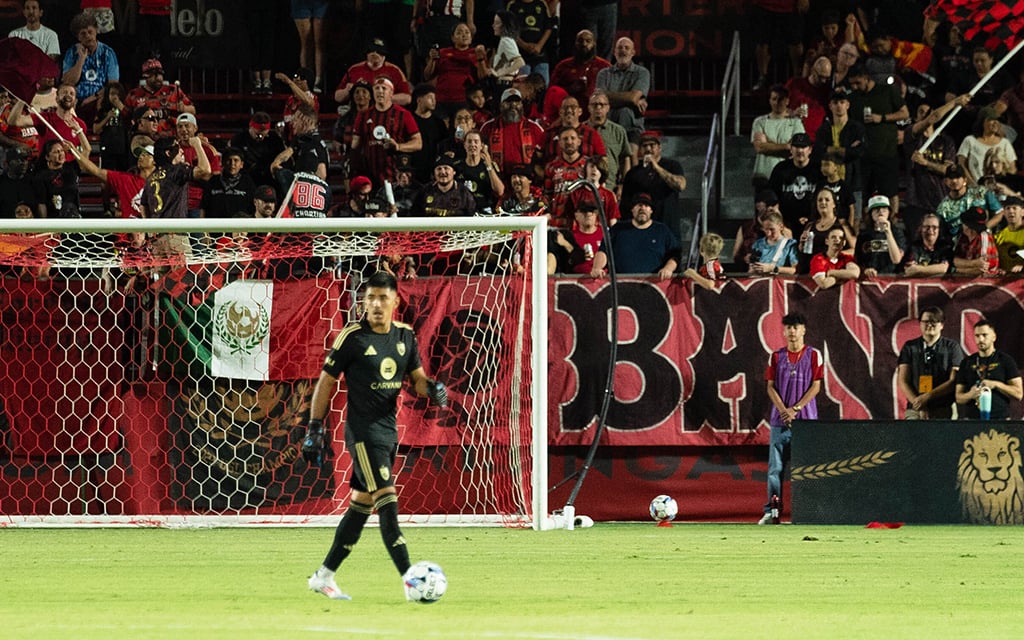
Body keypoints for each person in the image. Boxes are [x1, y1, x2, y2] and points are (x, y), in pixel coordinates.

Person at [303, 270, 448, 601]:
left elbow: (418, 380)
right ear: (363, 301)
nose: (376, 304)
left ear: (396, 301)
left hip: (387, 430)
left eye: (383, 298)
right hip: (362, 432)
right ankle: (411, 579)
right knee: (387, 498)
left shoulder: (405, 337)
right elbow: (327, 380)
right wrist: (315, 426)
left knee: (362, 503)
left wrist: (434, 389)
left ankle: (323, 576)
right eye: (370, 298)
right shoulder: (352, 337)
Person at [759, 312, 823, 525]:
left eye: (796, 327)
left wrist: (796, 409)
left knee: (806, 468)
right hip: (780, 422)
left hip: (805, 423)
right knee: (774, 469)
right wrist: (784, 411)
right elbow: (770, 387)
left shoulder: (814, 355)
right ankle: (772, 511)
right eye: (788, 327)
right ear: (784, 331)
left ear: (803, 330)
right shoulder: (776, 356)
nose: (792, 331)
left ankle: (808, 511)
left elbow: (816, 386)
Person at [847, 64, 908, 217]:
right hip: (864, 155)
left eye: (858, 83)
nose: (855, 87)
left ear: (866, 78)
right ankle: (867, 224)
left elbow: (904, 113)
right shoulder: (853, 98)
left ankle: (892, 223)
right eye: (852, 84)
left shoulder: (886, 91)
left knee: (891, 191)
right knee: (864, 192)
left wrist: (882, 118)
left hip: (886, 152)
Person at [351, 77, 421, 188]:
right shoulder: (363, 115)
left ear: (391, 93)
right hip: (370, 176)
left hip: (394, 176)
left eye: (384, 88)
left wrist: (398, 146)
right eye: (377, 88)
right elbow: (355, 145)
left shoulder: (404, 114)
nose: (380, 91)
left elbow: (418, 143)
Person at [897, 307, 965, 420]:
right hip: (915, 408)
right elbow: (903, 380)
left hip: (944, 408)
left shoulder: (952, 347)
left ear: (942, 325)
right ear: (919, 324)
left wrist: (927, 397)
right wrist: (919, 404)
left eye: (934, 321)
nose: (929, 325)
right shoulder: (909, 347)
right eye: (925, 321)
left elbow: (954, 381)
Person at [591, 193, 679, 278]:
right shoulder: (617, 229)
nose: (642, 208)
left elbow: (675, 256)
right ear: (632, 209)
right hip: (621, 287)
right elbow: (603, 251)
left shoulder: (662, 230)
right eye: (639, 205)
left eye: (646, 206)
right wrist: (597, 268)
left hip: (654, 287)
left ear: (651, 210)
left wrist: (668, 269)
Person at [813, 90, 864, 227]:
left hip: (852, 180)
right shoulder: (824, 129)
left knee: (854, 222)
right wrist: (846, 150)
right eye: (835, 103)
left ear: (848, 105)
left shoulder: (856, 128)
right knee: (827, 220)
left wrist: (831, 149)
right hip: (828, 183)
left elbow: (858, 152)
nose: (839, 106)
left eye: (842, 102)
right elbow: (818, 151)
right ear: (830, 106)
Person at [954, 319, 1023, 421]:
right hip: (972, 421)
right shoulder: (967, 362)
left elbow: (1018, 394)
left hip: (1000, 420)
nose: (980, 339)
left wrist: (996, 384)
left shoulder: (1005, 360)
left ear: (994, 337)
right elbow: (958, 397)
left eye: (984, 335)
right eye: (977, 336)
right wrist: (971, 394)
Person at [60, 12, 119, 122]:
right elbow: (68, 82)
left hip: (99, 99)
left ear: (96, 31)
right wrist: (81, 59)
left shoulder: (108, 53)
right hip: (77, 101)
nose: (88, 36)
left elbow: (113, 85)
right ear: (78, 37)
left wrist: (93, 97)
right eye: (83, 34)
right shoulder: (72, 53)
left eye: (90, 32)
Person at [478, 88, 544, 183]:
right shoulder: (488, 127)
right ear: (501, 105)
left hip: (527, 181)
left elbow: (543, 155)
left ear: (522, 105)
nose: (513, 106)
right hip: (498, 180)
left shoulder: (533, 127)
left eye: (517, 102)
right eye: (508, 102)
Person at [595, 37, 650, 150]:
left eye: (627, 48)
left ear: (633, 52)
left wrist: (608, 96)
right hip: (606, 125)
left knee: (631, 153)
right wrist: (629, 99)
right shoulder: (603, 74)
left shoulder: (642, 72)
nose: (623, 50)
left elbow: (633, 98)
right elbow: (599, 99)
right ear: (614, 52)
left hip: (632, 128)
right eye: (619, 47)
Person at [619, 130, 686, 222]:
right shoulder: (632, 173)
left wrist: (657, 167)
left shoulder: (672, 166)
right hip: (642, 226)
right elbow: (625, 205)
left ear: (659, 148)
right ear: (640, 150)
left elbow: (681, 185)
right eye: (644, 146)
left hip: (667, 224)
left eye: (652, 145)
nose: (648, 149)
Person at [751, 84, 805, 192]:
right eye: (774, 99)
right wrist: (785, 146)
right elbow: (759, 147)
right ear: (770, 100)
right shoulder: (760, 122)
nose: (777, 102)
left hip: (787, 177)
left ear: (787, 101)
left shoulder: (795, 123)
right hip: (763, 177)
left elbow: (795, 149)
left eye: (780, 99)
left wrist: (768, 143)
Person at [768, 132, 820, 233]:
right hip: (786, 223)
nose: (800, 151)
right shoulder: (780, 169)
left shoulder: (818, 169)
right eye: (796, 147)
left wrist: (812, 218)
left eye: (803, 147)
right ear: (791, 149)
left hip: (814, 222)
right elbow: (772, 197)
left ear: (810, 149)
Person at [423, 22, 479, 117]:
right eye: (459, 33)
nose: (464, 35)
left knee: (460, 130)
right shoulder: (443, 53)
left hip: (464, 101)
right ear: (453, 38)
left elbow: (481, 76)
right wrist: (432, 60)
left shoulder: (476, 53)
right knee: (442, 129)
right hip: (442, 100)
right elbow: (427, 76)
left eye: (467, 32)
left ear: (471, 37)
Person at [334, 39, 413, 107]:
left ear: (384, 55)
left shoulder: (394, 70)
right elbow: (337, 97)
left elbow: (407, 98)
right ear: (366, 53)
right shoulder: (354, 69)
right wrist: (347, 91)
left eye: (379, 52)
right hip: (358, 112)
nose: (375, 54)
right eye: (371, 51)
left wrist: (382, 98)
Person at [124, 58, 196, 131]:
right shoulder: (134, 94)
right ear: (145, 76)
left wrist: (184, 108)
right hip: (144, 137)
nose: (158, 78)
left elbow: (193, 110)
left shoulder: (173, 90)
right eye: (154, 75)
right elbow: (125, 116)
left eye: (160, 74)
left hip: (171, 136)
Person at [797, 186, 855, 274]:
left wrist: (834, 254)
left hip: (833, 271)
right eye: (820, 200)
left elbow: (854, 249)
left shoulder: (841, 223)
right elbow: (803, 252)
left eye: (827, 200)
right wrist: (801, 244)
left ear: (834, 204)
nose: (823, 202)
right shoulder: (810, 225)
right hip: (811, 272)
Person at [935, 164, 1003, 239]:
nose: (954, 181)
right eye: (951, 178)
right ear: (945, 181)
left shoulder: (981, 192)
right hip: (959, 247)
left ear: (965, 179)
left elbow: (1000, 212)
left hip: (984, 241)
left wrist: (984, 227)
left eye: (957, 177)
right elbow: (941, 233)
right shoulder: (942, 208)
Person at [549, 29, 610, 112]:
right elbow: (551, 91)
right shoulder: (563, 66)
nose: (584, 44)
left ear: (594, 44)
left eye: (588, 41)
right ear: (575, 43)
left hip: (596, 111)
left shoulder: (604, 66)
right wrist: (570, 89)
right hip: (568, 111)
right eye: (580, 41)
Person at [586, 88, 632, 195]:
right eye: (594, 105)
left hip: (611, 188)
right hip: (585, 187)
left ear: (608, 108)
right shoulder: (581, 130)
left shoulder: (618, 131)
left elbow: (625, 158)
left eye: (602, 105)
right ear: (588, 108)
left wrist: (622, 184)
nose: (598, 108)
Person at [957, 107, 1017, 186]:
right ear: (982, 122)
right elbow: (961, 164)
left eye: (997, 120)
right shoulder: (970, 141)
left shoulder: (1005, 143)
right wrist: (973, 185)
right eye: (991, 119)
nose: (996, 122)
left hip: (999, 190)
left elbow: (1012, 169)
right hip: (975, 190)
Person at [230, 112, 286, 191]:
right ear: (251, 127)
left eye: (264, 134)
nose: (260, 137)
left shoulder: (274, 139)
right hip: (246, 178)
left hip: (269, 178)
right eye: (257, 134)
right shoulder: (239, 139)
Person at [854, 194, 905, 277]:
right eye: (876, 209)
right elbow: (858, 260)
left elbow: (896, 259)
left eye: (884, 209)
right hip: (869, 278)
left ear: (889, 212)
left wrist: (888, 232)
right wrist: (865, 270)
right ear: (871, 213)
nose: (880, 211)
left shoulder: (897, 233)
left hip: (891, 277)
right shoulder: (863, 235)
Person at [785, 56, 832, 145]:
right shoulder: (794, 84)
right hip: (793, 137)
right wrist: (793, 113)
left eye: (827, 78)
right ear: (813, 71)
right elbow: (778, 109)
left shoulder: (827, 91)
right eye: (821, 77)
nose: (823, 81)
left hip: (815, 141)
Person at [453, 130, 503, 213]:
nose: (472, 145)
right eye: (469, 142)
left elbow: (500, 191)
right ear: (464, 145)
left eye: (476, 142)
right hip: (462, 211)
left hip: (485, 211)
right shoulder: (456, 166)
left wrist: (489, 166)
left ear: (481, 146)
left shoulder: (490, 166)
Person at [408, 84, 449, 185]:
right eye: (430, 97)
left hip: (433, 172)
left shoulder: (439, 123)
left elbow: (444, 145)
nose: (434, 101)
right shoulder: (409, 120)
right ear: (419, 100)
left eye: (434, 98)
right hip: (413, 171)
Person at [507, 0, 553, 83]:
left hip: (540, 55)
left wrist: (539, 46)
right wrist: (524, 45)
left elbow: (548, 28)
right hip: (520, 56)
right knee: (523, 86)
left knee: (542, 86)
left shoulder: (541, 4)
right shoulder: (513, 5)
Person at [290, 0, 327, 93]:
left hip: (321, 3)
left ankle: (318, 80)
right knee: (306, 42)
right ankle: (306, 79)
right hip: (301, 3)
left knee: (319, 43)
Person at [952, 206, 999, 276]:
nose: (968, 229)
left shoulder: (985, 237)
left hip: (985, 280)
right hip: (962, 278)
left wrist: (957, 269)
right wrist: (974, 263)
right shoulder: (960, 236)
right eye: (966, 225)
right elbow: (953, 261)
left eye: (972, 228)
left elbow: (981, 269)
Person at [275, 67, 319, 142]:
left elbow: (308, 101)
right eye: (296, 76)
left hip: (305, 140)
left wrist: (289, 82)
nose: (298, 79)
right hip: (290, 140)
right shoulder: (290, 99)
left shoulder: (312, 97)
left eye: (302, 77)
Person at [750, 210, 799, 276]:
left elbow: (795, 269)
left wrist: (773, 269)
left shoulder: (790, 245)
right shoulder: (758, 244)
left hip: (779, 282)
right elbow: (751, 270)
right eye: (766, 229)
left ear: (781, 226)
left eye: (772, 229)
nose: (769, 233)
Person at [995, 195, 1024, 273]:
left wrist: (1022, 267)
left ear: (1023, 212)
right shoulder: (997, 237)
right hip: (1005, 282)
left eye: (1014, 208)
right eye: (1008, 208)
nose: (1011, 211)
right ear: (1004, 213)